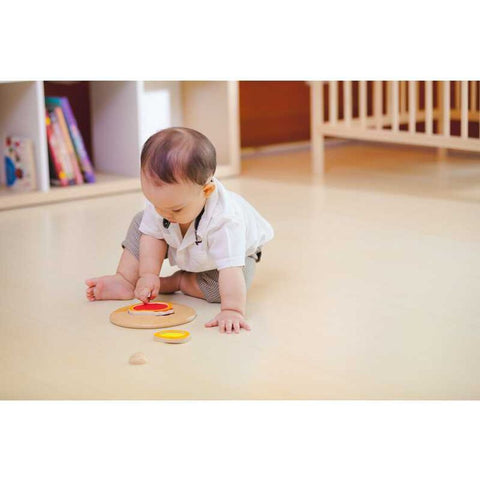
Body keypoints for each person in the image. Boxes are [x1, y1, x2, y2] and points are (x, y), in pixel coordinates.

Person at [85, 127, 274, 334]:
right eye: (155, 203)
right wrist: (148, 274)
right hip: (183, 240)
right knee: (141, 222)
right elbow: (151, 235)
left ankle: (178, 281)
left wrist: (232, 310)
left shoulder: (226, 221)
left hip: (235, 259)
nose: (164, 213)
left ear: (207, 191)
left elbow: (230, 271)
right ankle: (125, 279)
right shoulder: (164, 206)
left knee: (220, 290)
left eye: (175, 208)